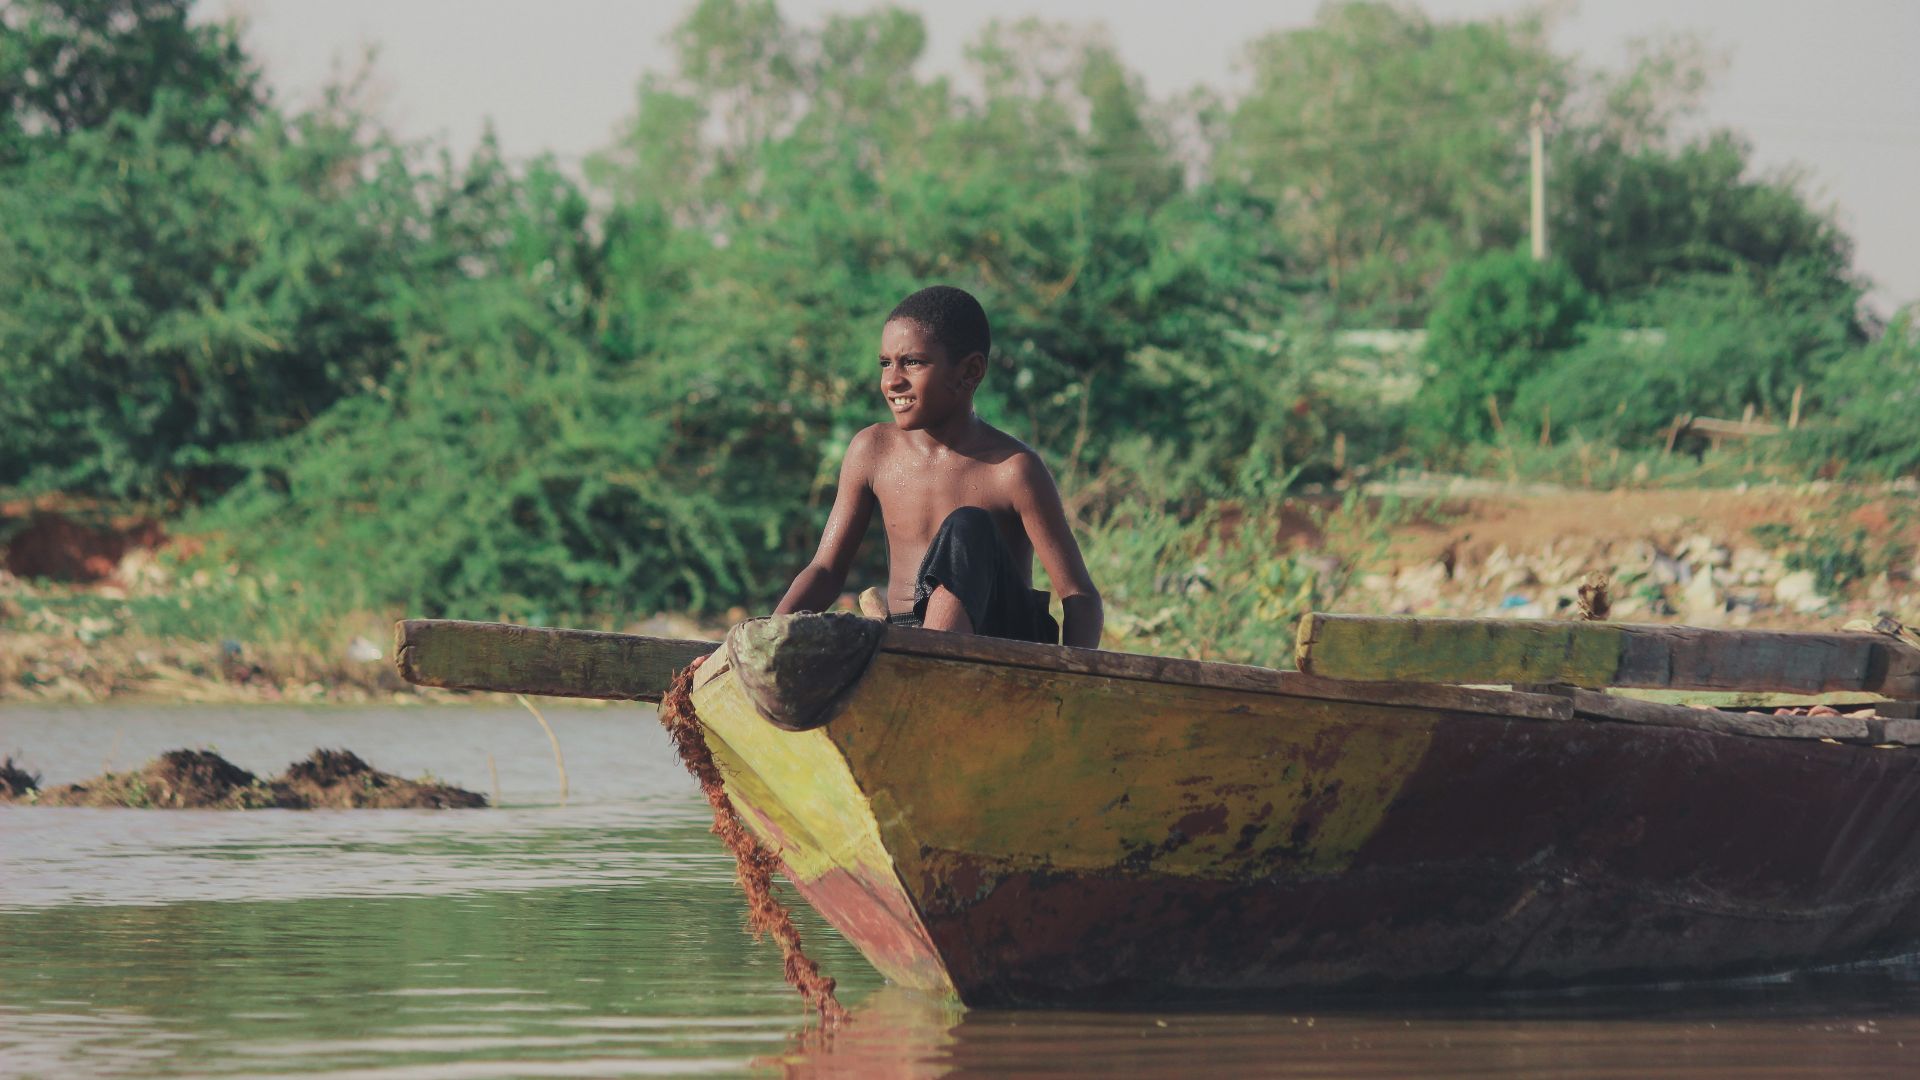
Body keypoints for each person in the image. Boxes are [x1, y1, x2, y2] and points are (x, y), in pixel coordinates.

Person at [771, 285, 1102, 647]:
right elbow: (825, 570)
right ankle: (926, 658)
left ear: (970, 371)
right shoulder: (872, 450)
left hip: (1000, 642)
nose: (892, 380)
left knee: (967, 524)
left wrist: (1072, 680)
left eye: (912, 362)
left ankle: (932, 661)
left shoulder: (1012, 469)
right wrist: (765, 637)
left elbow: (1079, 595)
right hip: (907, 638)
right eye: (885, 363)